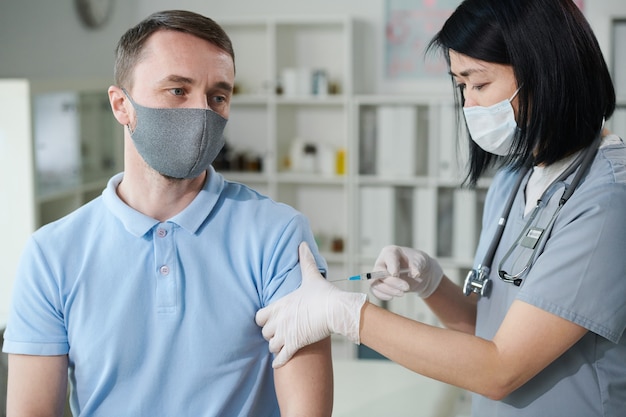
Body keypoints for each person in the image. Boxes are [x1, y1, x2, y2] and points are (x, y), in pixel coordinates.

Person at [255, 0, 626, 415]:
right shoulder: (514, 179)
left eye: (480, 84)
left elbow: (500, 367)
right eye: (461, 86)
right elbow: (488, 329)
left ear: (546, 73)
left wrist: (348, 315)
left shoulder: (608, 199)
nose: (468, 106)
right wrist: (433, 284)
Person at [2, 10, 333, 417]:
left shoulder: (279, 235)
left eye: (218, 96)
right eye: (178, 90)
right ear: (122, 105)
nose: (203, 113)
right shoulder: (51, 254)